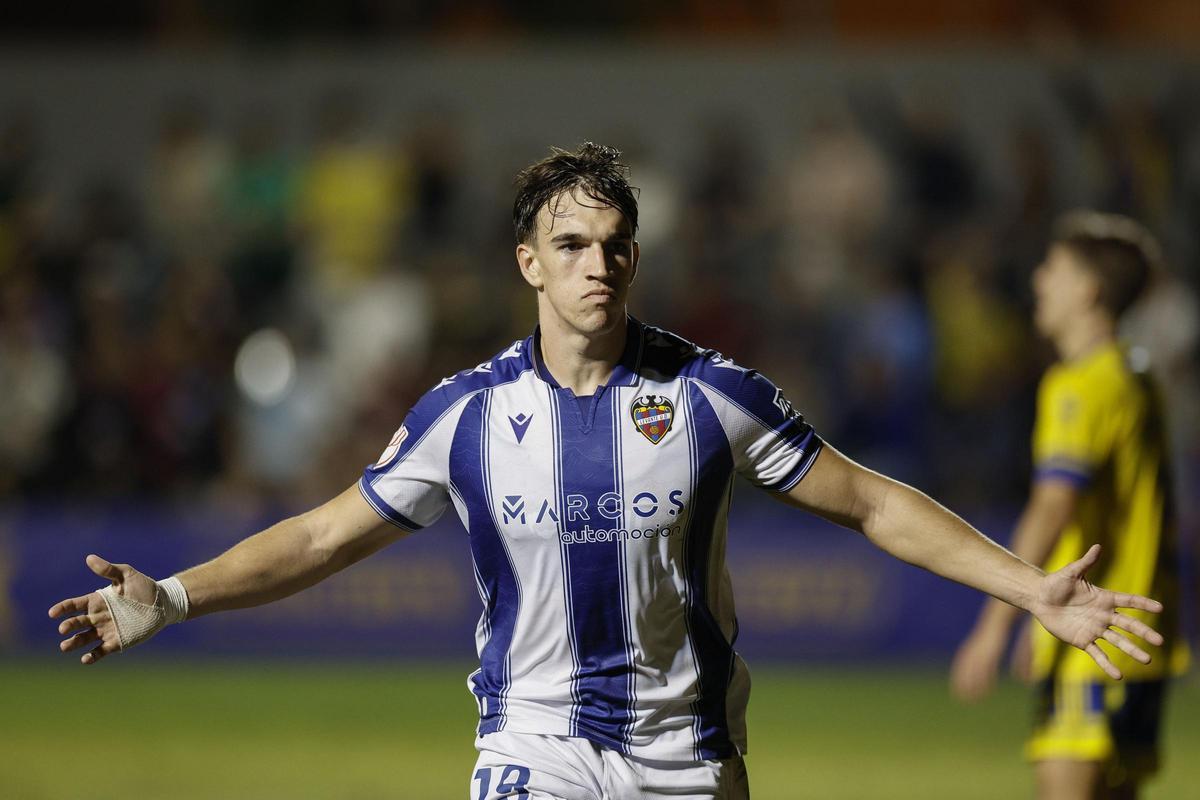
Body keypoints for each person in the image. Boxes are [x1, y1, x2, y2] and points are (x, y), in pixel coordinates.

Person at [51, 145, 1166, 800]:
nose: (601, 264)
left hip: (691, 758)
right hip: (533, 746)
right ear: (528, 261)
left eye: (617, 242)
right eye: (574, 245)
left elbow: (871, 499)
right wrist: (177, 594)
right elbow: (318, 536)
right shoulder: (468, 415)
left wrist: (1032, 591)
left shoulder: (712, 395)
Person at [950, 211, 1188, 800]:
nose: (1038, 281)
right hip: (1143, 637)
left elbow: (1052, 507)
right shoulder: (1137, 375)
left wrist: (995, 623)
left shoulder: (1080, 386)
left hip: (1097, 640)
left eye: (1052, 269)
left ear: (1087, 289)